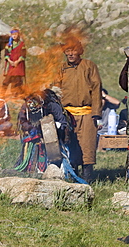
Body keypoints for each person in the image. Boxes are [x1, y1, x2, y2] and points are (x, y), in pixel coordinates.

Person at [56, 37, 103, 183]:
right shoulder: (61, 69)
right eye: (68, 51)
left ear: (79, 51)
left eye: (74, 50)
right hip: (68, 115)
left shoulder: (89, 66)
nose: (70, 54)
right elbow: (56, 91)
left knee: (87, 146)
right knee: (71, 145)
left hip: (87, 113)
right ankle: (73, 177)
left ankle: (87, 179)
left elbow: (96, 89)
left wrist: (96, 112)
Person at [2, 28, 26, 96]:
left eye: (15, 34)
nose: (14, 36)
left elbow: (23, 55)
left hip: (18, 64)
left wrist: (17, 61)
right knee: (7, 80)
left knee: (17, 80)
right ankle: (1, 95)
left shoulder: (22, 44)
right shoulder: (8, 45)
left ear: (18, 35)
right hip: (11, 64)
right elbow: (6, 54)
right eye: (13, 34)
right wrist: (10, 61)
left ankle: (16, 95)